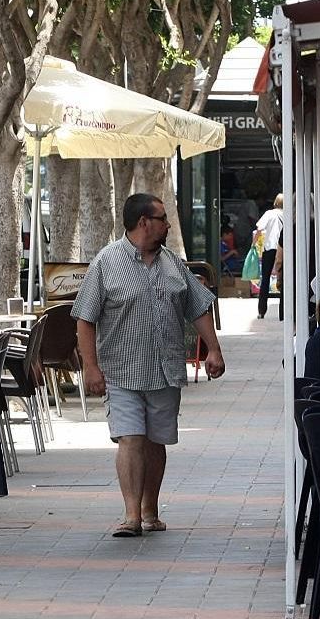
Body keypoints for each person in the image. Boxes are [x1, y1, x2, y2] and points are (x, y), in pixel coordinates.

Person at [73, 193, 224, 538]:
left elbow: (197, 308)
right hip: (121, 370)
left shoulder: (173, 263)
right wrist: (90, 367)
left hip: (165, 369)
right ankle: (130, 516)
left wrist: (214, 349)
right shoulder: (106, 263)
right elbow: (84, 318)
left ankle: (149, 510)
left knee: (155, 441)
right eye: (162, 218)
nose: (168, 225)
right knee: (130, 438)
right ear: (143, 222)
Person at [253, 194, 285, 320]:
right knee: (284, 280)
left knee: (265, 279)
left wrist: (253, 245)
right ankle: (283, 312)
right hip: (283, 249)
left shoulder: (269, 214)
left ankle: (262, 311)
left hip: (270, 248)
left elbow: (259, 228)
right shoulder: (288, 214)